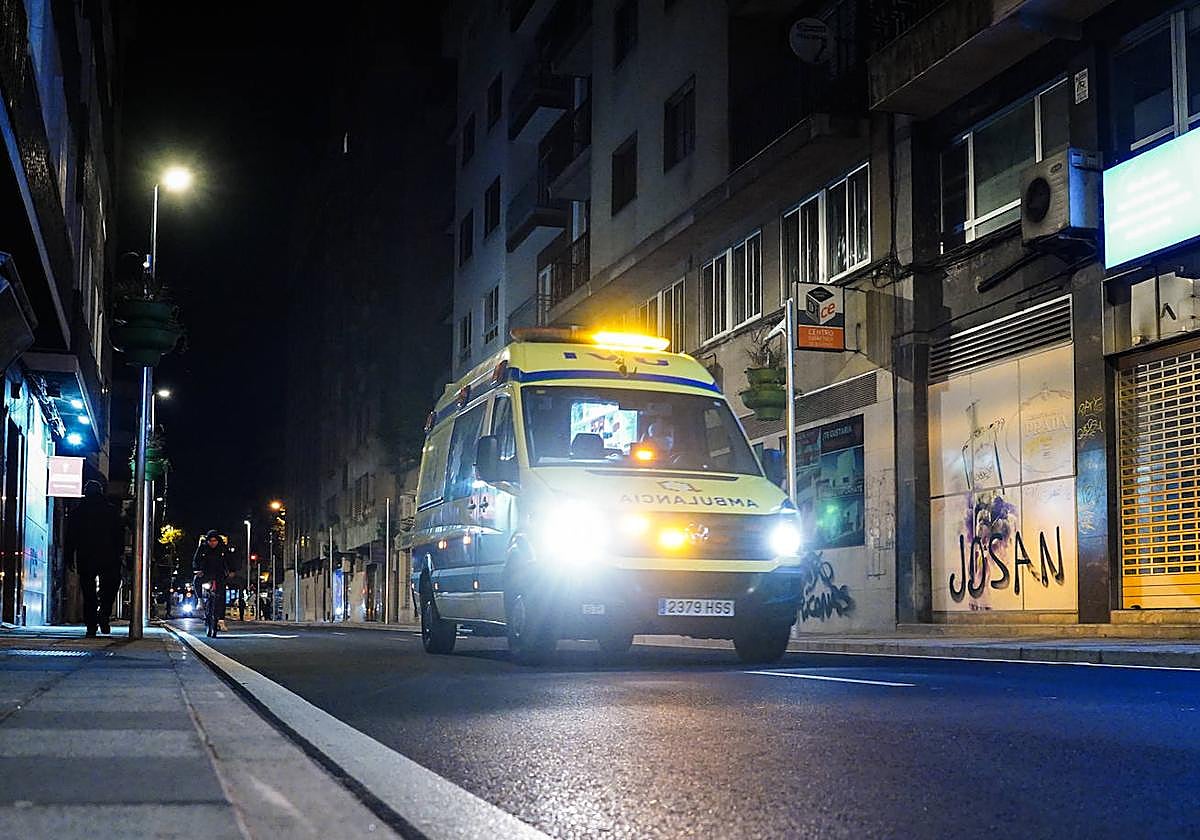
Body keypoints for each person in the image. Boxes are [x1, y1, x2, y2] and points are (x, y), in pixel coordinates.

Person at [64, 480, 124, 637]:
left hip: (86, 555)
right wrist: (119, 553)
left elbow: (70, 536)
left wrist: (69, 556)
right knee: (110, 587)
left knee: (88, 592)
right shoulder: (111, 511)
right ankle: (104, 613)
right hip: (108, 556)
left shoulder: (78, 512)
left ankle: (91, 625)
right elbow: (120, 534)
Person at [192, 530, 236, 631]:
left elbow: (230, 560)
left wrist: (232, 571)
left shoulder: (223, 549)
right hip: (205, 573)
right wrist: (197, 570)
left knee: (221, 597)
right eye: (210, 541)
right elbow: (196, 560)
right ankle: (200, 600)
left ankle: (221, 621)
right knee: (196, 581)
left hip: (219, 574)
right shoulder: (202, 548)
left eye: (214, 540)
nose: (212, 543)